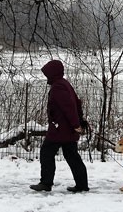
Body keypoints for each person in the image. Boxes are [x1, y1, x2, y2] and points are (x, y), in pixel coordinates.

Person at [30, 59, 89, 193]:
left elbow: (68, 107)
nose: (46, 76)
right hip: (65, 129)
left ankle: (46, 183)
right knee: (72, 156)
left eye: (47, 74)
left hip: (60, 129)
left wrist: (76, 124)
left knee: (46, 153)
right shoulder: (64, 84)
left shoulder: (58, 87)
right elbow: (77, 103)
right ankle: (82, 185)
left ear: (52, 73)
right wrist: (78, 121)